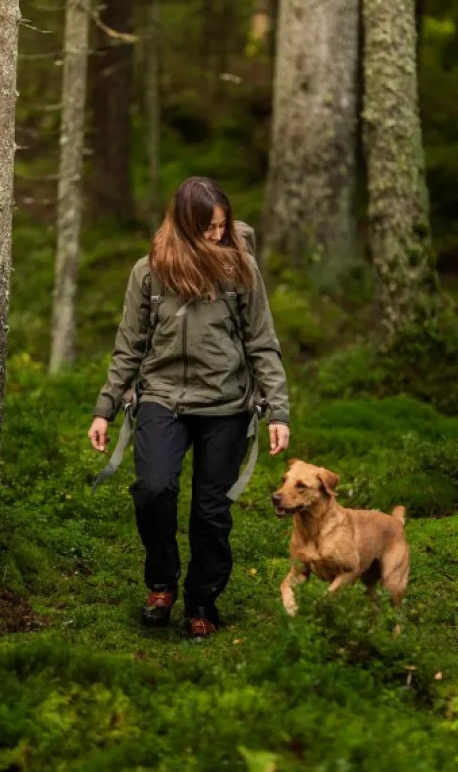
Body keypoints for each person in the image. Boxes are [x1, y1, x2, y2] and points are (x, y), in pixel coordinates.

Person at [88, 177, 290, 640]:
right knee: (155, 489)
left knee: (211, 511)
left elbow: (262, 342)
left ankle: (203, 599)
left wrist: (277, 411)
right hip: (162, 398)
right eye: (209, 229)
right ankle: (161, 583)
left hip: (227, 405)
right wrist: (106, 407)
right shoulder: (149, 272)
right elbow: (129, 347)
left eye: (222, 226)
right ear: (183, 226)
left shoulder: (241, 270)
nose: (219, 236)